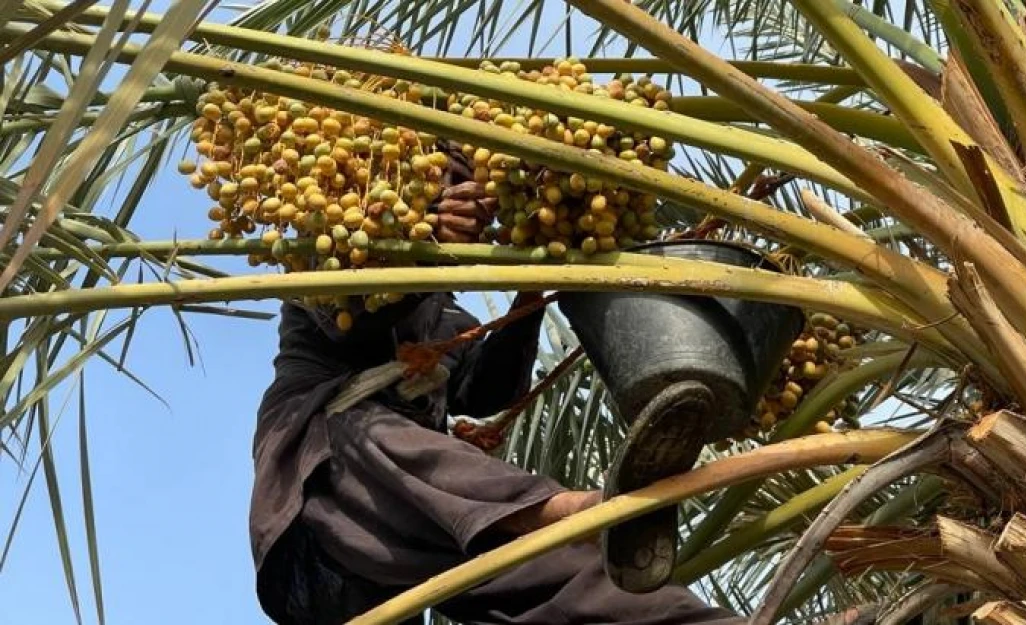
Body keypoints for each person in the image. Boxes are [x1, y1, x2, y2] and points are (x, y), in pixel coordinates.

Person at [247, 142, 748, 624]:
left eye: (469, 188)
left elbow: (488, 392)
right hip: (326, 481)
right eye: (439, 182)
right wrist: (429, 249)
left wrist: (530, 286)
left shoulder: (445, 317)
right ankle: (577, 508)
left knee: (555, 569)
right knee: (380, 437)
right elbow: (350, 317)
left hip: (415, 521)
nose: (460, 199)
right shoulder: (327, 254)